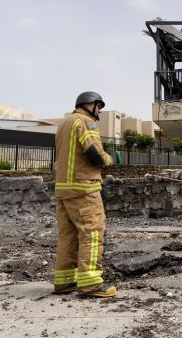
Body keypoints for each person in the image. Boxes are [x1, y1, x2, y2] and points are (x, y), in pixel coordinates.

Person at [53, 91, 117, 298]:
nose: (99, 111)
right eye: (98, 106)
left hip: (64, 190)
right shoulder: (85, 122)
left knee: (68, 236)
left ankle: (65, 281)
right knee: (92, 232)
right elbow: (96, 155)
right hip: (83, 188)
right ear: (90, 104)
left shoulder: (64, 124)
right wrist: (109, 159)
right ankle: (90, 283)